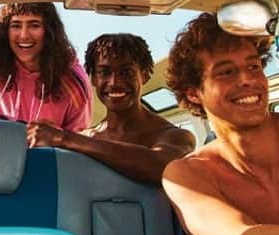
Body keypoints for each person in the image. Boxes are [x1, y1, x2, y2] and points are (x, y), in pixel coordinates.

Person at [162, 12, 279, 235]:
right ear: (194, 93)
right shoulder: (188, 175)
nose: (247, 80)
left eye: (254, 67)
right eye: (226, 72)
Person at [26, 33, 195, 183]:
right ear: (93, 79)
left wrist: (63, 138)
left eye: (126, 72)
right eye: (104, 73)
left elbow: (163, 166)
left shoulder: (175, 136)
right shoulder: (85, 138)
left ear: (144, 76)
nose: (114, 82)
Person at [0, 2, 92, 132]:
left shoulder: (73, 82)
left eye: (34, 25)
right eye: (16, 26)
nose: (24, 35)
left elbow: (78, 138)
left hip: (46, 145)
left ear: (49, 31)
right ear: (6, 31)